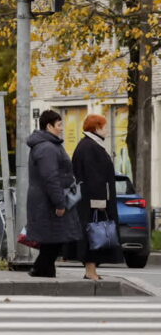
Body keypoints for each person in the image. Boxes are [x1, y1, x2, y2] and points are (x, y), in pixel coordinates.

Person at [26, 109, 83, 278]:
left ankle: (44, 271)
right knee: (55, 239)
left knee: (53, 239)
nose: (62, 128)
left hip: (47, 199)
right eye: (59, 125)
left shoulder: (49, 145)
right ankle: (40, 269)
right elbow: (50, 177)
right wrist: (59, 203)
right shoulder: (47, 148)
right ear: (49, 126)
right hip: (49, 201)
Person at [66, 114, 123, 280]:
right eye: (105, 127)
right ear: (96, 128)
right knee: (94, 234)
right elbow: (94, 178)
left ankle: (91, 270)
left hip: (89, 201)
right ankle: (90, 271)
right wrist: (100, 202)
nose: (108, 130)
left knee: (94, 234)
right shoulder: (91, 147)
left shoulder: (88, 145)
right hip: (93, 202)